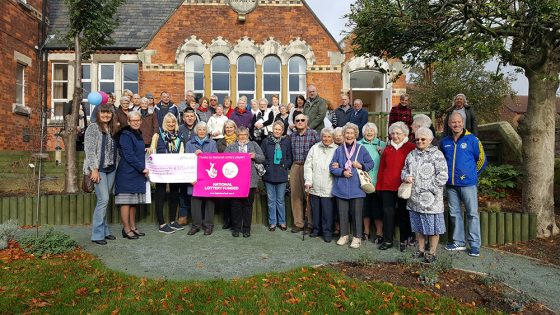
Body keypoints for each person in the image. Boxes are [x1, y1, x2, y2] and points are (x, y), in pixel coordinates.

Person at [441, 112, 486, 257]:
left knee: (472, 214)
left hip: (468, 184)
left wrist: (472, 175)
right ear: (449, 124)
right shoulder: (445, 142)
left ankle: (474, 244)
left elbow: (482, 160)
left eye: (459, 122)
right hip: (451, 185)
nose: (456, 124)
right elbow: (441, 161)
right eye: (453, 122)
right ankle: (459, 242)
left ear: (463, 122)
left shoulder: (473, 139)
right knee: (455, 213)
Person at [401, 127, 448, 263]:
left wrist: (429, 189)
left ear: (430, 140)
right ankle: (420, 250)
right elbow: (404, 170)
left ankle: (432, 253)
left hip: (431, 200)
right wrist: (406, 177)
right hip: (415, 198)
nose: (419, 141)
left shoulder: (437, 155)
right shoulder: (411, 155)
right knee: (418, 226)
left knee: (433, 228)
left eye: (423, 139)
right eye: (417, 139)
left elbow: (443, 176)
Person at [330, 123, 374, 248]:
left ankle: (357, 237)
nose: (349, 135)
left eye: (351, 133)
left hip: (357, 187)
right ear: (343, 135)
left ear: (355, 134)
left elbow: (371, 164)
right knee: (342, 212)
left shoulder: (361, 149)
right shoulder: (338, 150)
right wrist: (342, 172)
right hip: (341, 187)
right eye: (347, 133)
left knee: (356, 213)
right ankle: (344, 235)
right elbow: (332, 168)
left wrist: (361, 165)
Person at [376, 121, 416, 251]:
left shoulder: (411, 147)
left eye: (398, 133)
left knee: (404, 214)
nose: (395, 136)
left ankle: (405, 240)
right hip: (387, 187)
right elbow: (382, 169)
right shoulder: (388, 149)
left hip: (404, 186)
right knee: (388, 214)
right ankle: (388, 240)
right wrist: (379, 187)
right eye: (392, 133)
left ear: (405, 134)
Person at [83, 104, 119, 245]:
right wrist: (94, 169)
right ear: (98, 114)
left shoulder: (112, 128)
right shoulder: (93, 128)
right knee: (103, 200)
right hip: (98, 169)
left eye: (108, 113)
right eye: (103, 113)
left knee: (105, 199)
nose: (106, 115)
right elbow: (90, 150)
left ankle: (105, 231)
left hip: (111, 168)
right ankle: (97, 235)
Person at [225, 126, 265, 238]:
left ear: (248, 135)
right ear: (237, 136)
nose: (242, 137)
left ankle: (246, 229)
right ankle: (236, 228)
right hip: (235, 181)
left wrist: (255, 156)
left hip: (250, 180)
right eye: (240, 135)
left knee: (248, 205)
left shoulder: (254, 145)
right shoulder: (232, 146)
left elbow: (262, 158)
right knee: (235, 205)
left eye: (245, 135)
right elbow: (223, 159)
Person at [115, 111, 149, 240]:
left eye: (138, 120)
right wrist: (142, 168)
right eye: (133, 120)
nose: (136, 122)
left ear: (140, 121)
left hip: (137, 173)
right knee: (125, 202)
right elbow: (129, 155)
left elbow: (137, 151)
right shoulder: (125, 135)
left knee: (134, 202)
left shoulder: (137, 134)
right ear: (128, 122)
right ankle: (126, 228)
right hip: (127, 172)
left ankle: (133, 227)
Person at [150, 113, 184, 234]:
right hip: (161, 170)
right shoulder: (157, 135)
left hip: (175, 169)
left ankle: (173, 221)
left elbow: (181, 152)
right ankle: (162, 224)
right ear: (165, 123)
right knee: (160, 194)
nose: (171, 124)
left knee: (174, 194)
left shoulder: (179, 136)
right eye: (168, 122)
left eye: (173, 122)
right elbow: (152, 151)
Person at [304, 127, 338, 242]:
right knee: (316, 210)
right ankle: (316, 229)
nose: (326, 139)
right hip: (315, 184)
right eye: (324, 136)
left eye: (329, 136)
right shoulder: (315, 148)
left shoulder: (337, 150)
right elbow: (308, 165)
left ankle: (327, 232)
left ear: (332, 138)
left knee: (327, 212)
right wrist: (308, 180)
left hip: (329, 185)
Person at [186, 122, 218, 236]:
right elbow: (186, 160)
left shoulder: (213, 143)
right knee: (195, 202)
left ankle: (208, 226)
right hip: (195, 177)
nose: (202, 131)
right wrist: (193, 156)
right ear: (196, 131)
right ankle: (196, 226)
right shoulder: (189, 144)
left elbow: (215, 159)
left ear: (207, 131)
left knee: (209, 202)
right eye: (199, 129)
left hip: (209, 176)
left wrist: (203, 155)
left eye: (204, 129)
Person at [290, 114, 320, 233]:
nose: (300, 122)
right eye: (297, 120)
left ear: (306, 122)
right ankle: (298, 223)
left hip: (310, 167)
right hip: (296, 165)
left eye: (302, 120)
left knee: (309, 195)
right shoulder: (292, 136)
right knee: (296, 196)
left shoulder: (313, 134)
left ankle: (310, 223)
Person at [261, 121, 292, 232]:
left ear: (282, 131)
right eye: (276, 129)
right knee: (271, 200)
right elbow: (262, 157)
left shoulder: (286, 142)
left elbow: (289, 157)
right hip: (269, 174)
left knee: (280, 200)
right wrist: (267, 166)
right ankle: (272, 222)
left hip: (281, 174)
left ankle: (282, 222)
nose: (277, 131)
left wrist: (285, 165)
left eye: (279, 129)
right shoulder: (266, 141)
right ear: (272, 130)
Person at [358, 122, 386, 243]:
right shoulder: (358, 144)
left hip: (378, 182)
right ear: (363, 132)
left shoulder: (382, 144)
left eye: (372, 131)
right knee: (365, 209)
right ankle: (366, 232)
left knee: (378, 209)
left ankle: (379, 233)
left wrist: (382, 153)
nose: (369, 133)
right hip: (363, 182)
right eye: (367, 131)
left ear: (376, 133)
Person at [177, 107, 199, 226]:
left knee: (195, 189)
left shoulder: (199, 129)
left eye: (192, 116)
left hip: (197, 164)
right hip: (183, 164)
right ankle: (183, 215)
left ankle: (196, 216)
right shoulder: (179, 129)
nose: (190, 118)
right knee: (183, 190)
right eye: (187, 116)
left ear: (195, 117)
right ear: (184, 118)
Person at [215, 119, 238, 229]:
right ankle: (227, 220)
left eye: (231, 127)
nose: (229, 129)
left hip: (237, 173)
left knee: (236, 199)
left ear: (235, 128)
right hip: (224, 172)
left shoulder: (240, 140)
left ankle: (235, 221)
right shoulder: (220, 142)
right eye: (227, 127)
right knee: (225, 198)